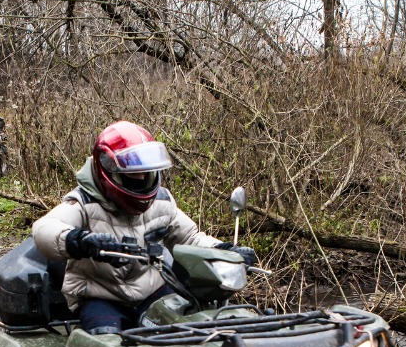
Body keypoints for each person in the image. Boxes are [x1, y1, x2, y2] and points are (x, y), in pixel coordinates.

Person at [32, 121, 256, 334]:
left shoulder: (161, 201)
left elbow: (189, 237)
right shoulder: (83, 202)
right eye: (132, 174)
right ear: (109, 171)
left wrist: (223, 249)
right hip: (101, 295)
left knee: (188, 332)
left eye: (145, 172)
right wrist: (80, 241)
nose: (141, 178)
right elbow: (44, 229)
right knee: (105, 346)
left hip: (153, 293)